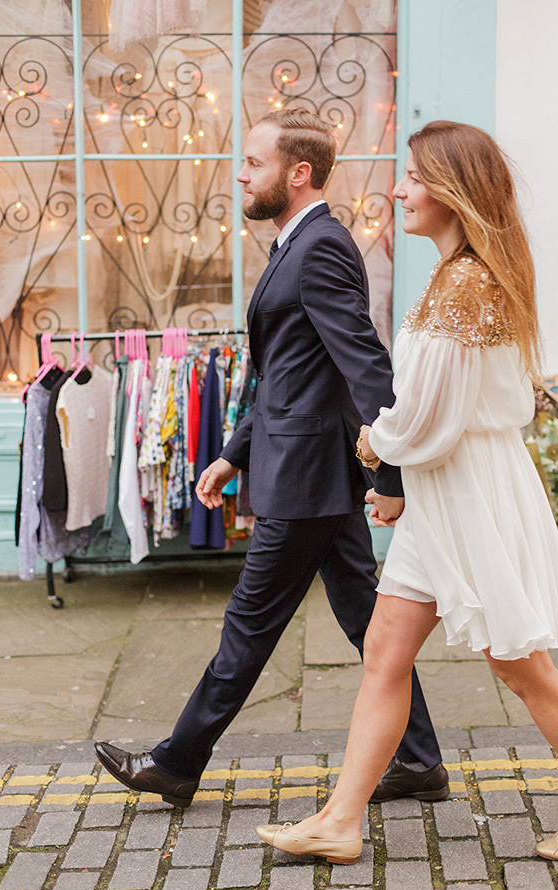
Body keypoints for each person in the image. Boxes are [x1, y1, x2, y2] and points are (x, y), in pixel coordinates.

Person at [94, 109, 448, 809]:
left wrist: (394, 474)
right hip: (307, 469)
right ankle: (420, 760)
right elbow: (290, 377)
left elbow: (366, 370)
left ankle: (176, 761)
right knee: (366, 621)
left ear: (299, 173)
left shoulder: (317, 247)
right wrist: (233, 455)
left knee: (250, 624)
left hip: (307, 480)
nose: (240, 174)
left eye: (253, 163)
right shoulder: (297, 244)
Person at [255, 119, 558, 866]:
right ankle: (341, 820)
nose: (398, 189)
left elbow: (432, 414)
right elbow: (433, 404)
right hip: (447, 493)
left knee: (519, 666)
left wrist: (376, 445)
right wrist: (400, 457)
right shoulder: (455, 273)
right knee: (384, 649)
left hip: (469, 493)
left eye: (412, 177)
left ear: (451, 189)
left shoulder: (465, 281)